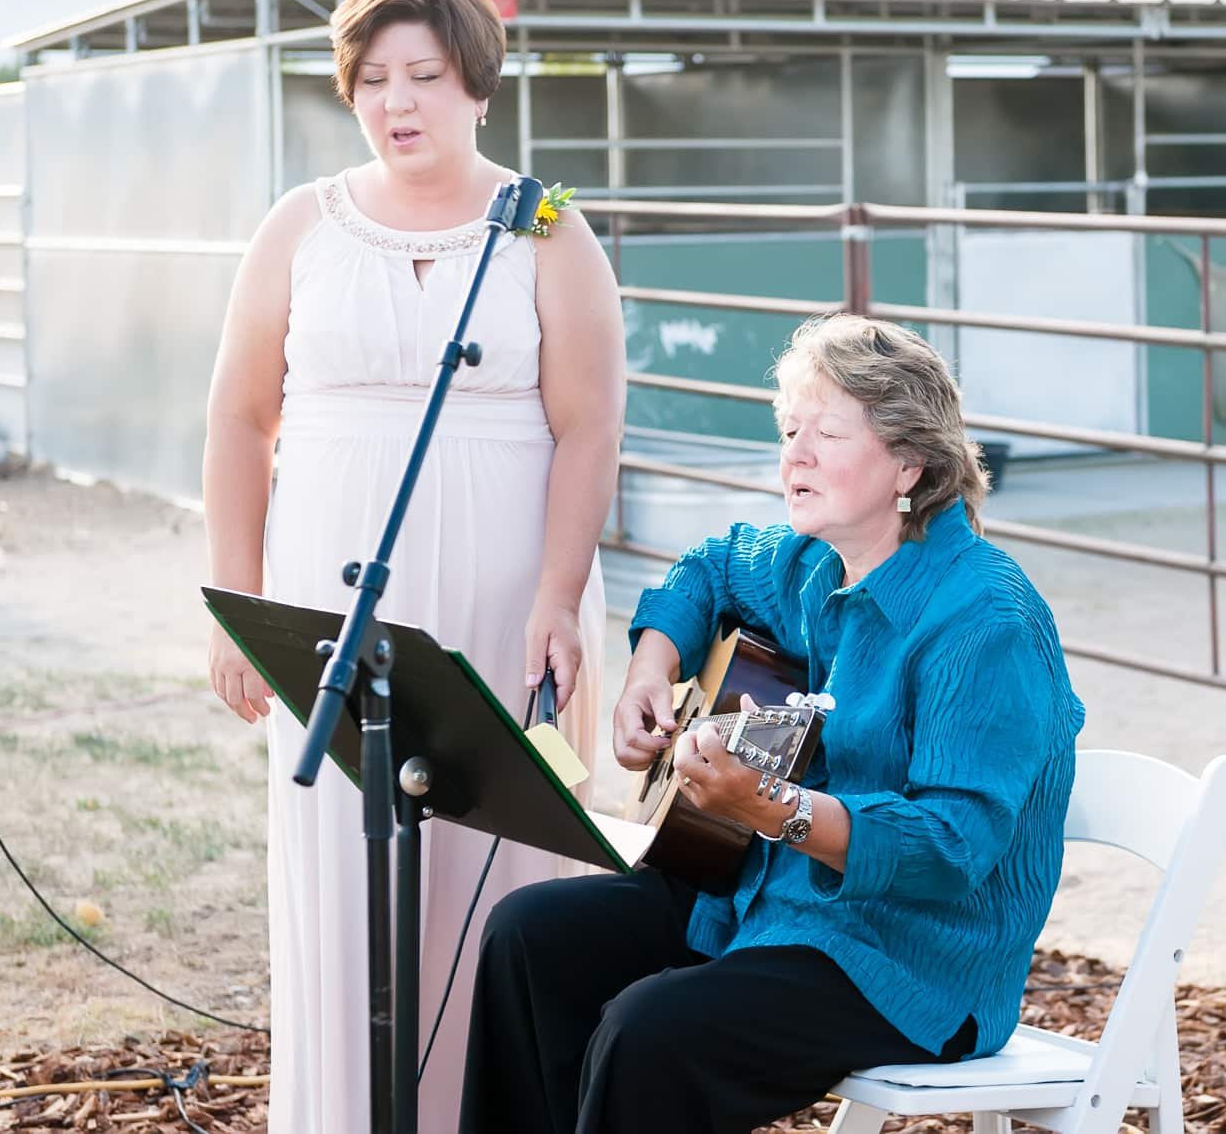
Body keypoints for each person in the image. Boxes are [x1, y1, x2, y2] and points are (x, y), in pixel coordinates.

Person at [460, 314, 1085, 1134]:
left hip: (909, 957)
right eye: (790, 429)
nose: (793, 455)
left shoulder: (985, 621)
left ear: (911, 461)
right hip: (772, 901)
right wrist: (652, 668)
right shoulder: (814, 559)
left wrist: (771, 808)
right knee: (528, 936)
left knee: (651, 1030)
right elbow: (708, 566)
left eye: (826, 432)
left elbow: (949, 847)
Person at [200, 0, 625, 1133]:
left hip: (505, 609)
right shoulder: (299, 224)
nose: (399, 102)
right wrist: (236, 606)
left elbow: (588, 423)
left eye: (424, 77)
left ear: (477, 87)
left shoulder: (545, 225)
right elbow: (239, 418)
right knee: (349, 877)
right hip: (334, 611)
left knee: (502, 881)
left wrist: (558, 589)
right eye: (374, 80)